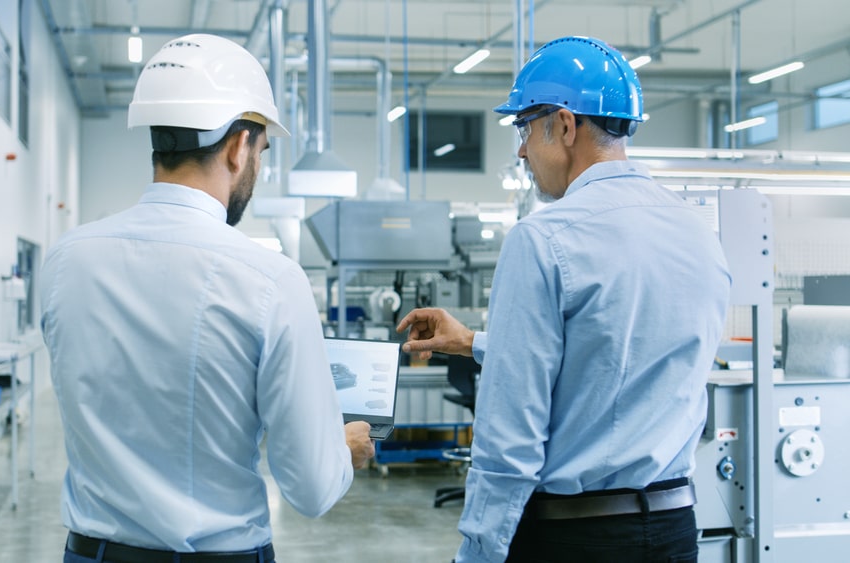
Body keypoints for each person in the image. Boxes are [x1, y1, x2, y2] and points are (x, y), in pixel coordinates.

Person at [40, 33, 375, 563]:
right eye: (262, 152)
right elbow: (309, 488)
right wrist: (343, 450)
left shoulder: (64, 260)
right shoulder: (270, 281)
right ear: (240, 145)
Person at [397, 36, 731, 563]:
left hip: (576, 538)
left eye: (525, 128)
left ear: (566, 125)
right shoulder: (700, 234)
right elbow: (617, 357)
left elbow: (509, 441)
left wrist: (479, 551)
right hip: (674, 530)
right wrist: (478, 342)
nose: (522, 150)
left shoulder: (544, 238)